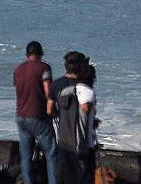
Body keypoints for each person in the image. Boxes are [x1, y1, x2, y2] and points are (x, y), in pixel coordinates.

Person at [14, 40, 57, 184]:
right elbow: (47, 92)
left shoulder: (18, 69)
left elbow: (19, 90)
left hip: (20, 115)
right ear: (40, 54)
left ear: (27, 55)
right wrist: (53, 108)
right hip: (37, 115)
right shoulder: (44, 68)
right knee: (51, 152)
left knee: (26, 155)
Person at [51, 52, 95, 184]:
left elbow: (50, 109)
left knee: (64, 177)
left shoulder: (61, 87)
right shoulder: (85, 91)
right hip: (81, 144)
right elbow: (85, 108)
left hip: (63, 139)